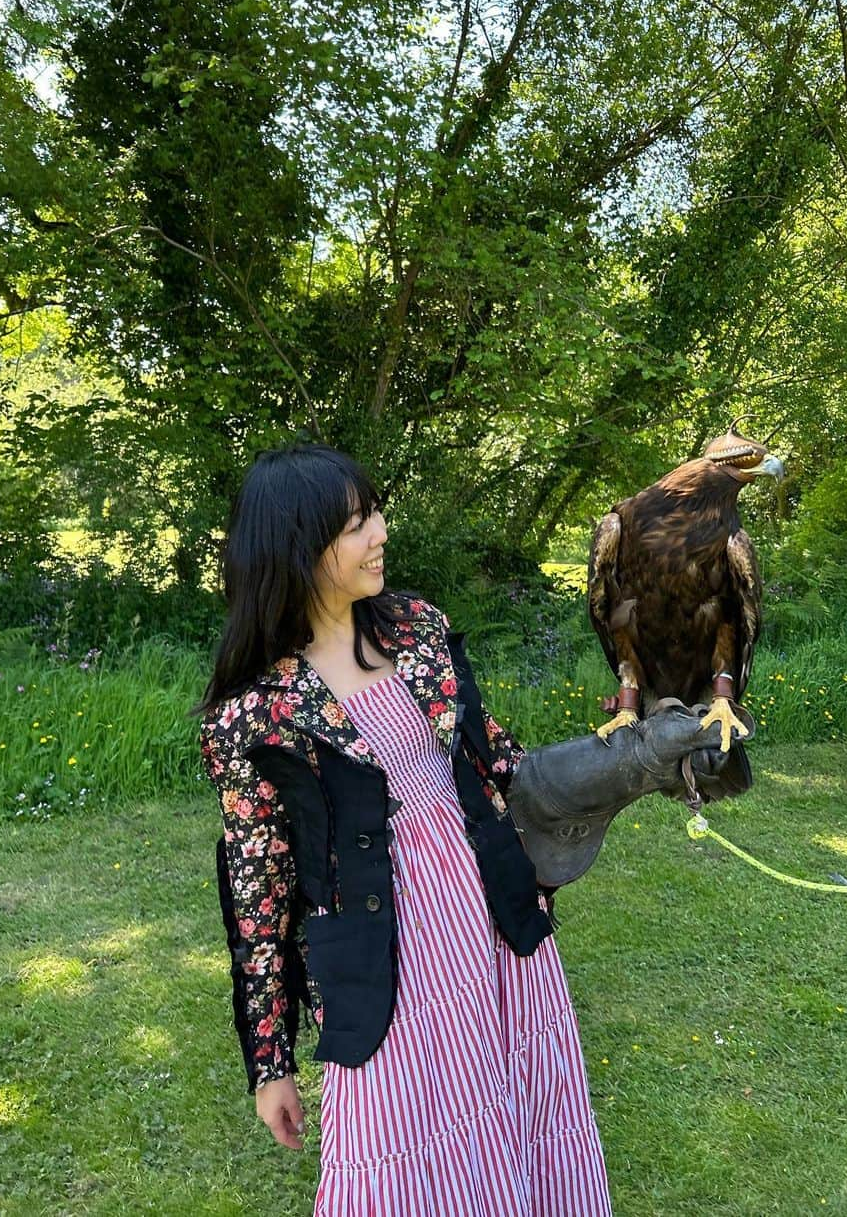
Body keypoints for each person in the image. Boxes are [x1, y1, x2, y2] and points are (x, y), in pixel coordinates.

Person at [198, 441, 614, 1215]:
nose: (381, 531)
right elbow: (258, 902)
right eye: (358, 523)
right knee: (400, 1143)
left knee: (521, 1105)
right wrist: (270, 1061)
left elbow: (494, 759)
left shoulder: (418, 627)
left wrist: (615, 765)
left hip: (487, 913)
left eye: (375, 512)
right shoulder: (251, 717)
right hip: (382, 950)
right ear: (299, 545)